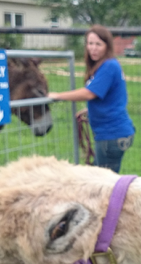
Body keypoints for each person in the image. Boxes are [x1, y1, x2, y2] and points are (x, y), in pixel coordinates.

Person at [48, 25, 135, 172]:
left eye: (98, 44)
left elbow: (90, 93)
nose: (93, 48)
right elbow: (109, 97)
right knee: (102, 178)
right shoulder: (105, 65)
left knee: (105, 185)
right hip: (114, 133)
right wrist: (89, 110)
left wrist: (58, 96)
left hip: (111, 135)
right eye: (90, 43)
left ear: (107, 46)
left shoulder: (109, 66)